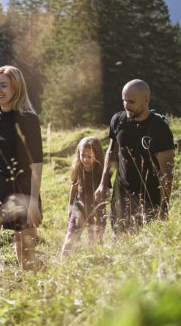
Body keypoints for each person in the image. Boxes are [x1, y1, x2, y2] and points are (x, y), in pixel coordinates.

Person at [0, 65, 43, 291]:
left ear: (17, 88)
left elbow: (37, 163)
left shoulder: (28, 120)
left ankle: (30, 298)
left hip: (22, 189)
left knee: (26, 257)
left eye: (3, 85)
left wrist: (33, 201)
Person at [95, 79, 174, 232]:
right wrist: (103, 183)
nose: (126, 105)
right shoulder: (118, 120)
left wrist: (164, 207)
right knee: (121, 240)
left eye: (131, 102)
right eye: (124, 100)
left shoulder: (160, 128)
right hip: (122, 193)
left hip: (150, 197)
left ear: (146, 100)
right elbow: (112, 152)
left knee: (148, 243)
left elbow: (167, 171)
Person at [60, 136, 106, 257]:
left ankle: (96, 265)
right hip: (79, 208)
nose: (85, 159)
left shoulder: (101, 171)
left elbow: (105, 193)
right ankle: (64, 264)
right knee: (70, 239)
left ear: (97, 155)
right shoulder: (78, 168)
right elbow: (73, 189)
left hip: (97, 210)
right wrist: (70, 208)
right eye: (82, 155)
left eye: (89, 156)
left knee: (95, 243)